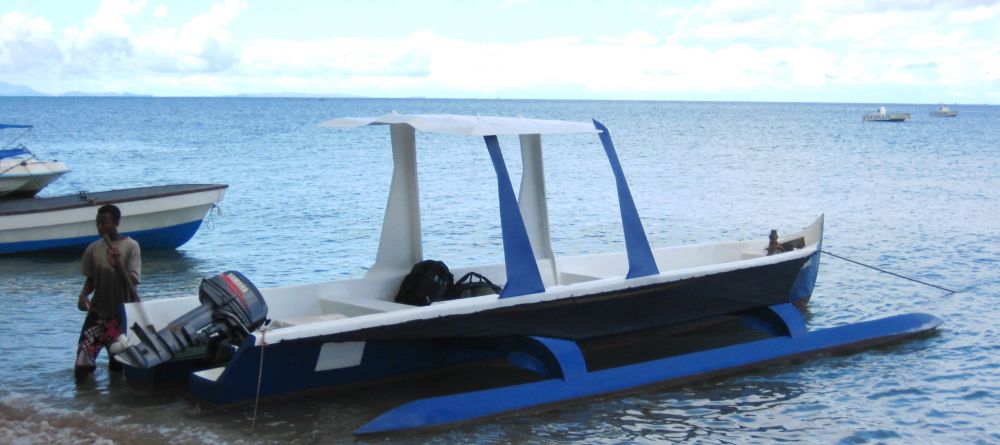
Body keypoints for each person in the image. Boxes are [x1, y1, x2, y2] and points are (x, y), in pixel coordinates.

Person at [75, 204, 141, 381]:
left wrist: (117, 265)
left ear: (116, 223)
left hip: (120, 317)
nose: (100, 227)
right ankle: (83, 403)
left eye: (104, 223)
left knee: (117, 366)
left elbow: (133, 280)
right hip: (97, 315)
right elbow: (91, 279)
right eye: (97, 223)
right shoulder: (93, 249)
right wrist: (83, 295)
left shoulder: (131, 247)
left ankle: (113, 407)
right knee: (82, 364)